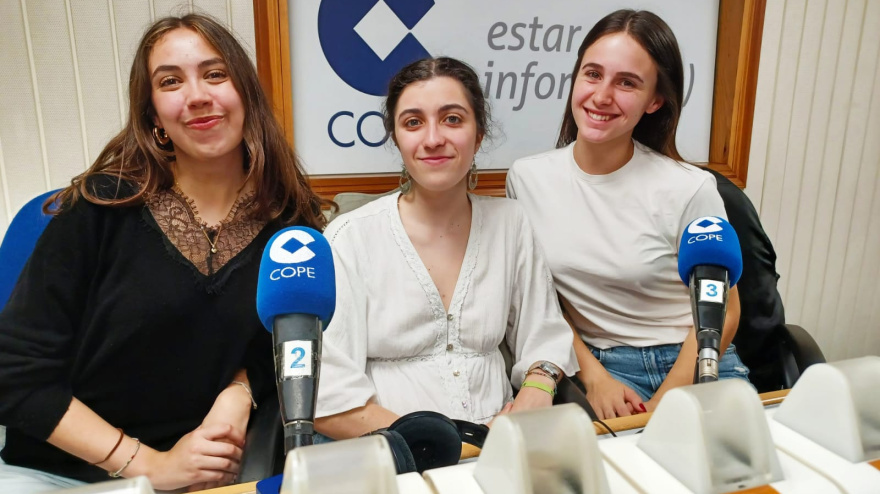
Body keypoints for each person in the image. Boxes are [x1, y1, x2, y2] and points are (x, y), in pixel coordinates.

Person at [0, 14, 329, 493]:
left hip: (199, 478)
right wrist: (148, 465)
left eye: (215, 74)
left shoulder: (289, 227)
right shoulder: (99, 208)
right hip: (57, 473)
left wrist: (238, 394)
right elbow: (14, 372)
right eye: (170, 81)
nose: (196, 95)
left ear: (247, 96)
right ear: (154, 116)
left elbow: (273, 347)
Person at [314, 57, 578, 439]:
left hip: (499, 447)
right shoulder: (349, 238)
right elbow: (330, 396)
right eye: (413, 122)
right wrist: (435, 443)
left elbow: (545, 333)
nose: (433, 138)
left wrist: (537, 388)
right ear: (396, 138)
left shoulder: (511, 223)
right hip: (393, 452)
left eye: (452, 119)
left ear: (479, 134)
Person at [506, 10, 750, 420]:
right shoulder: (528, 179)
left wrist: (663, 405)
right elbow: (541, 302)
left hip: (699, 360)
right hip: (603, 368)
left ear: (655, 100)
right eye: (593, 74)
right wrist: (595, 376)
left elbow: (725, 307)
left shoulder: (689, 187)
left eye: (626, 83)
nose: (602, 96)